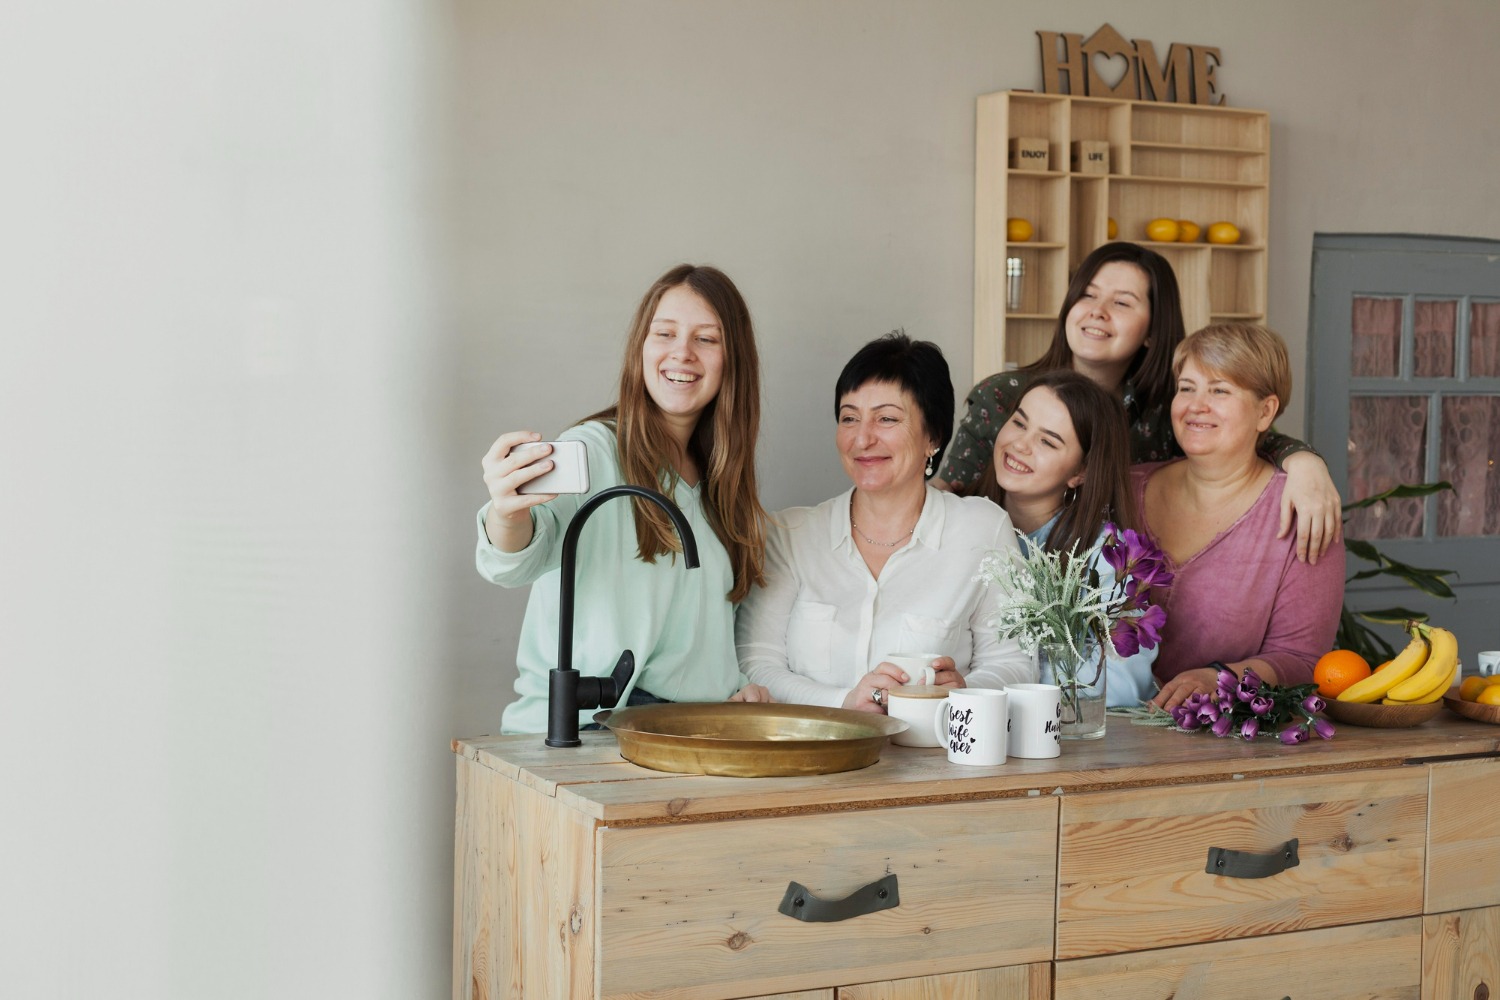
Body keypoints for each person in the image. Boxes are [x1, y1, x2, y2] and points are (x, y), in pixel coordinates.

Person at [476, 264, 771, 734]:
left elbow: (701, 635)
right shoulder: (594, 449)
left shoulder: (722, 484)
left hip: (693, 731)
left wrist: (738, 686)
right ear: (641, 348)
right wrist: (505, 510)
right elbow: (515, 559)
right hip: (591, 730)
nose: (682, 353)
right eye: (665, 333)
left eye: (707, 339)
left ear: (732, 359)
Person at [935, 241, 1343, 564]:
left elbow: (1239, 432)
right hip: (990, 576)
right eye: (1088, 295)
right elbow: (946, 501)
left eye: (1122, 302)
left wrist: (1305, 462)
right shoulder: (1003, 396)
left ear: (1153, 329)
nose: (1097, 311)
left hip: (1111, 589)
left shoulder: (1167, 408)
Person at [735, 332, 1035, 711]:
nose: (862, 438)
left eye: (887, 419)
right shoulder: (789, 534)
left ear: (933, 437)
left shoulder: (982, 528)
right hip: (810, 757)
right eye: (849, 418)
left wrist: (963, 691)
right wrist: (844, 702)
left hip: (931, 762)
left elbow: (1014, 663)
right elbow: (755, 664)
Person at [1135, 324, 1345, 712]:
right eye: (1186, 387)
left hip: (1219, 743)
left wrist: (1219, 676)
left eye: (1219, 390)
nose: (1196, 405)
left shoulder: (1304, 509)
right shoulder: (1125, 488)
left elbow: (1299, 659)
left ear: (1265, 411)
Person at [961, 369, 1158, 706]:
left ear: (1080, 472)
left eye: (1048, 441)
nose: (1020, 445)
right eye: (1020, 423)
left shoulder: (1106, 557)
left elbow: (1124, 683)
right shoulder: (954, 518)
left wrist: (1002, 679)